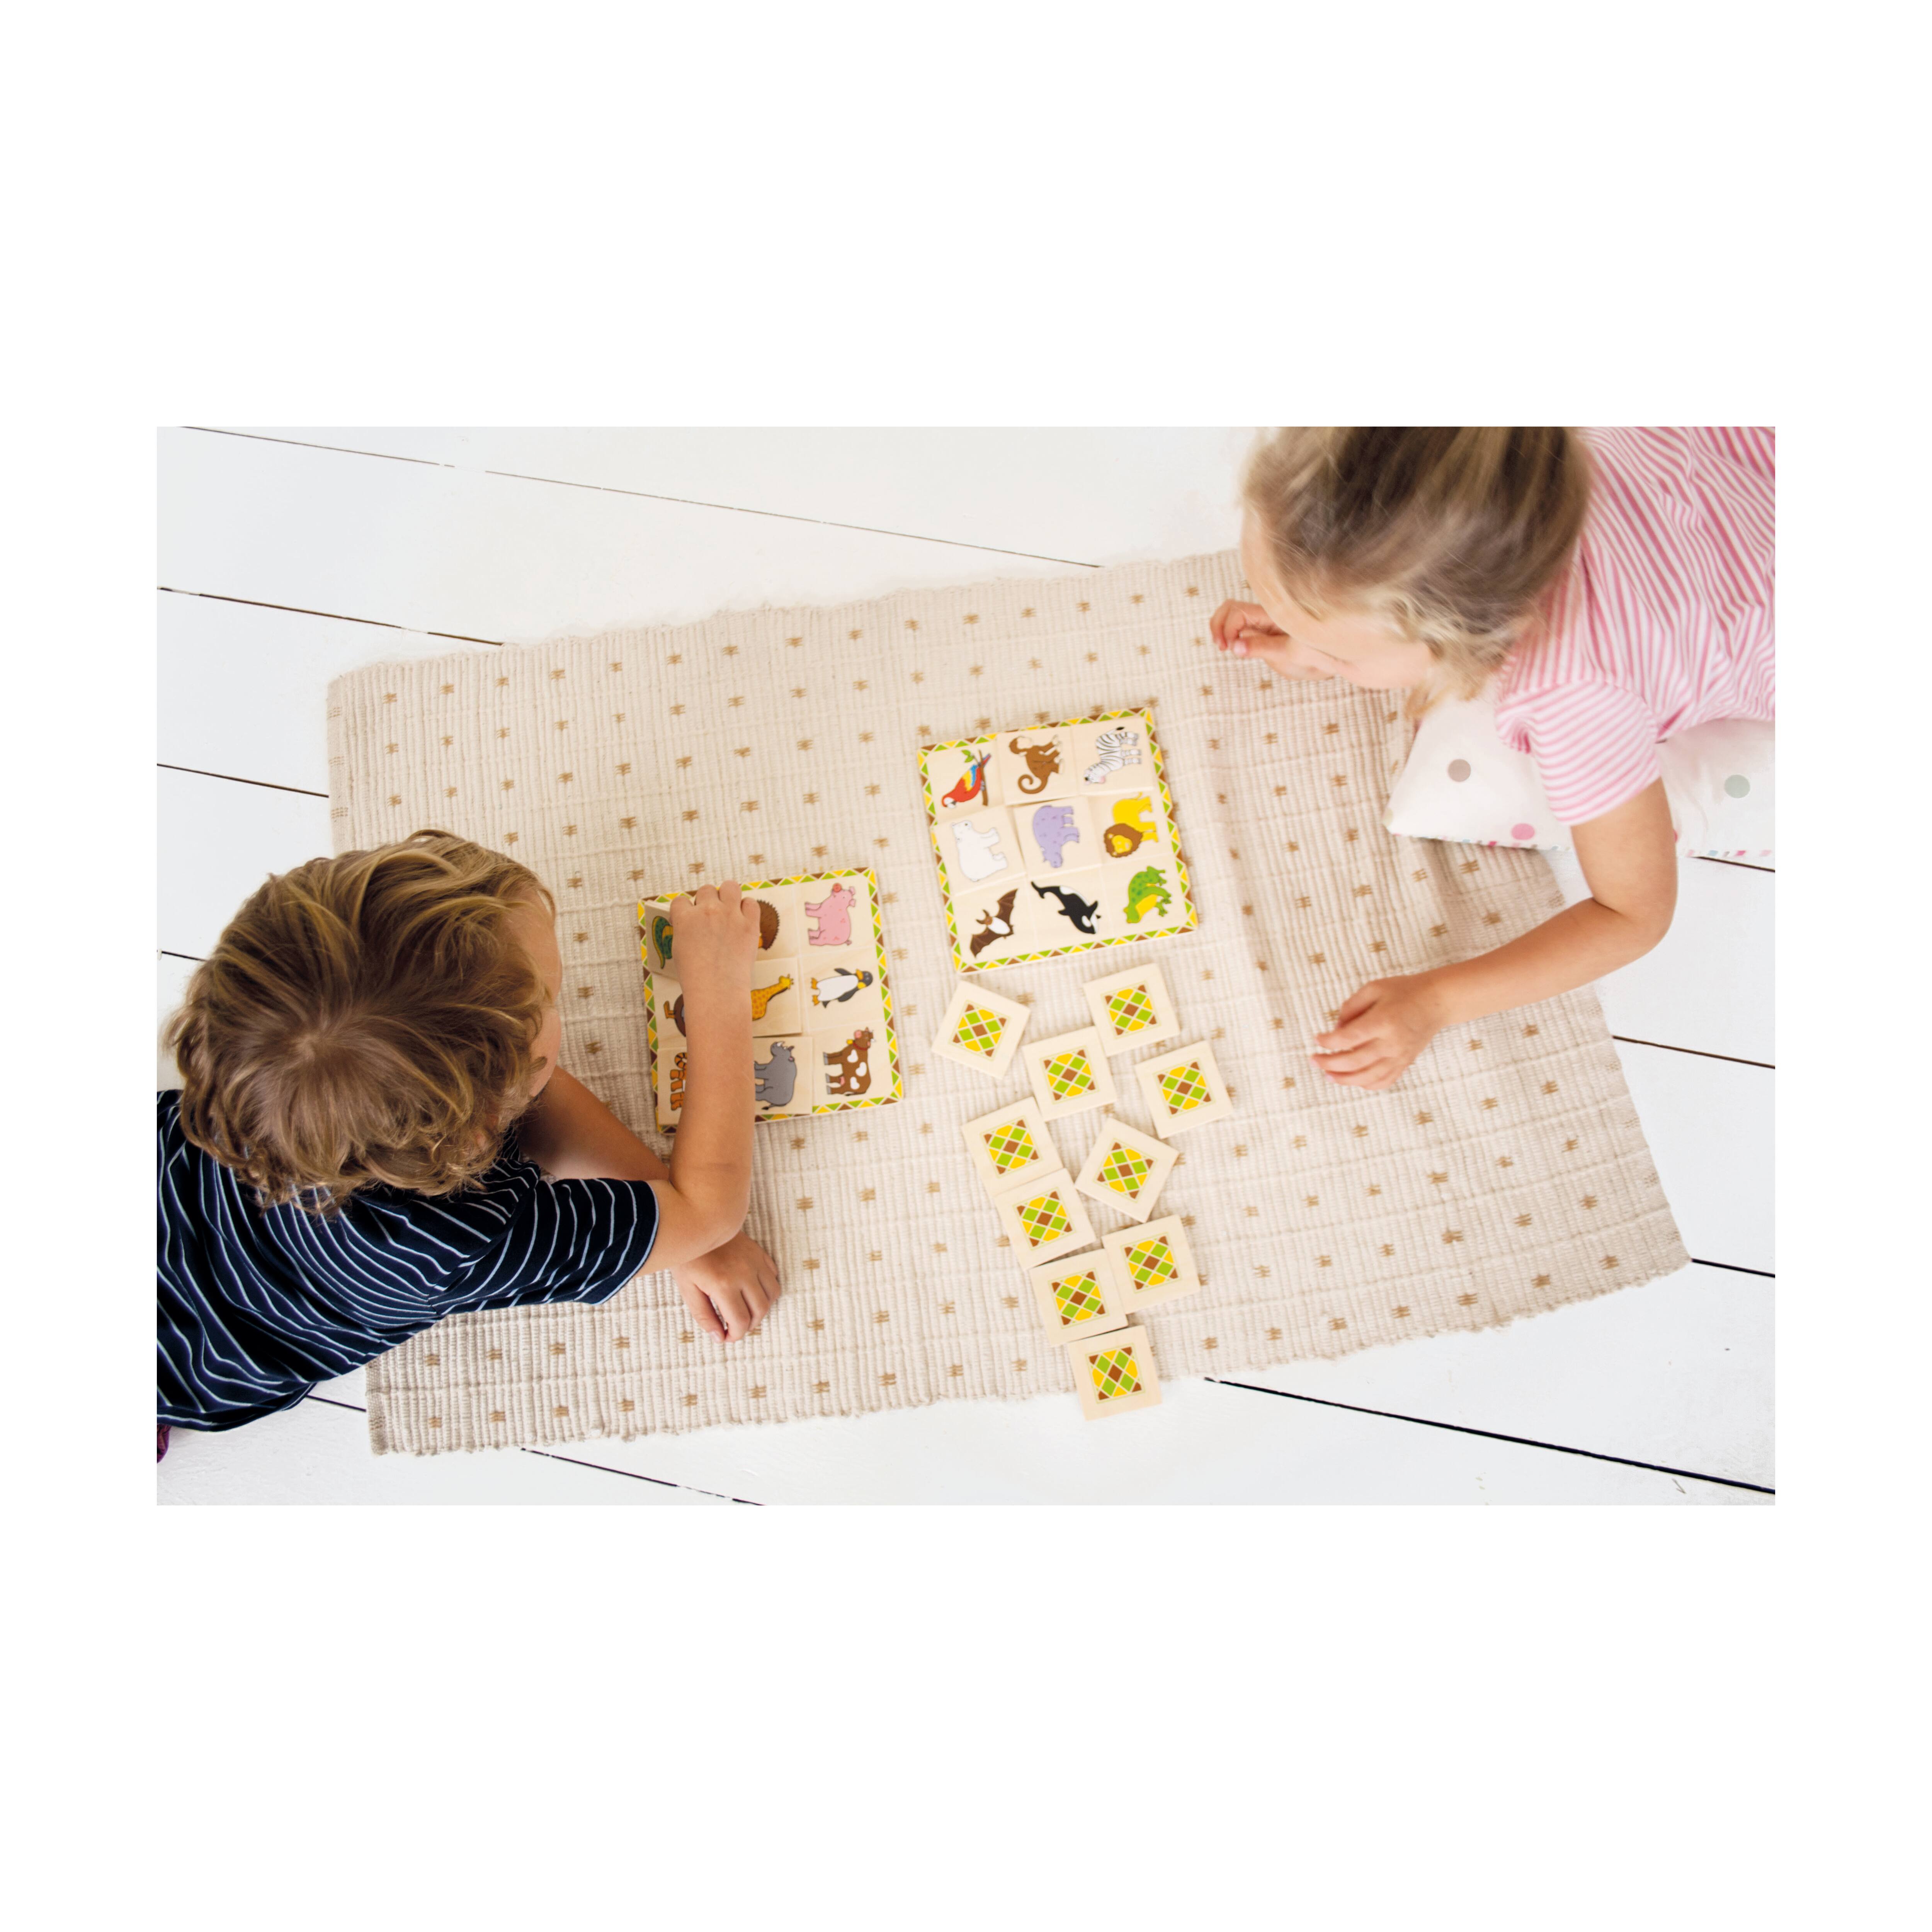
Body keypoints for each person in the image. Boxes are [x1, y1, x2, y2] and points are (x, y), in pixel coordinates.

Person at [158, 831, 779, 1445]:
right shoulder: (457, 1241)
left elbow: (537, 1094)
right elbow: (712, 1209)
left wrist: (681, 1233)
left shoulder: (258, 1070)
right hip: (194, 1359)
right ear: (484, 1117)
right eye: (550, 1000)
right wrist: (717, 991)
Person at [1211, 426, 1772, 1092]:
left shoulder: (1574, 696)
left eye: (1341, 654)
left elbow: (1633, 916)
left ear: (1463, 643)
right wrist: (1322, 630)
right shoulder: (1516, 451)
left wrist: (1437, 1001)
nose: (1293, 634)